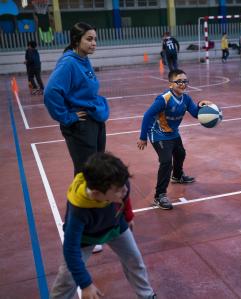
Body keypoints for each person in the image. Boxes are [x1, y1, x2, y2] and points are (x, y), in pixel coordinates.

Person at [50, 152, 157, 299]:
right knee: (67, 277)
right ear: (96, 195)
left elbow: (125, 197)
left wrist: (128, 216)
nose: (124, 190)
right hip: (86, 238)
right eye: (119, 190)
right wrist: (86, 284)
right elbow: (70, 250)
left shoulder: (119, 183)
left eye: (124, 185)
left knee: (135, 260)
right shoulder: (78, 211)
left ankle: (147, 295)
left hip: (115, 227)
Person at [44, 22, 108, 254]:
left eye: (95, 39)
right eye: (89, 39)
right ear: (76, 41)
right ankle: (73, 231)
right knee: (84, 177)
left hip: (93, 121)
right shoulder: (69, 63)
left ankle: (87, 226)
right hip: (80, 127)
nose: (94, 43)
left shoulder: (83, 59)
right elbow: (51, 92)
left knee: (94, 174)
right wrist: (67, 117)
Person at [137, 69, 212, 210]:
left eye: (185, 81)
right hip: (157, 133)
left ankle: (177, 176)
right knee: (166, 161)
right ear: (171, 84)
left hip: (173, 133)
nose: (183, 84)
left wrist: (203, 105)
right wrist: (142, 137)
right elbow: (147, 116)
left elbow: (196, 114)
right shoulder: (163, 99)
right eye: (179, 81)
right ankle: (160, 195)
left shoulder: (187, 99)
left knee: (180, 154)